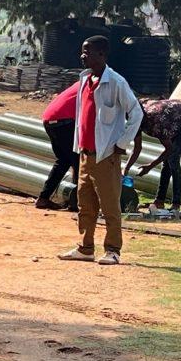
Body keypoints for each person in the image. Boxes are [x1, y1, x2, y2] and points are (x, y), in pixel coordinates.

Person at [58, 36, 142, 265]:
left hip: (106, 154)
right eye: (82, 51)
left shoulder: (116, 82)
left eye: (88, 52)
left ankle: (113, 249)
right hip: (85, 152)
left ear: (102, 55)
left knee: (109, 204)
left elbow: (136, 114)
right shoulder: (86, 79)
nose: (83, 55)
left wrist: (122, 143)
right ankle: (85, 248)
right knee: (85, 202)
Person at [124, 99, 181, 214]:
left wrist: (150, 166)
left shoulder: (157, 124)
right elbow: (137, 147)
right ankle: (159, 201)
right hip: (172, 120)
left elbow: (168, 149)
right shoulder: (135, 118)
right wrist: (126, 168)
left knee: (172, 159)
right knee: (167, 162)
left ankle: (176, 204)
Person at [36, 80, 80, 210]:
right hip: (64, 120)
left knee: (64, 160)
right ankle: (78, 202)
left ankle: (43, 198)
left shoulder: (82, 82)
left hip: (50, 118)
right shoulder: (94, 85)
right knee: (79, 160)